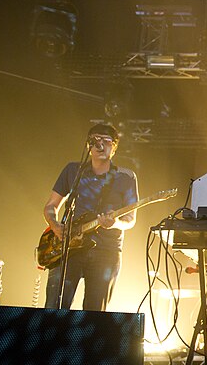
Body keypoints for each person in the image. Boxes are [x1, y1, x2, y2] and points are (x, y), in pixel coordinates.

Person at [44, 123, 138, 311]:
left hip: (106, 250)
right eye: (95, 140)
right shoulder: (73, 171)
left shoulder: (126, 177)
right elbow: (50, 206)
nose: (100, 144)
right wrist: (55, 226)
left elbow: (130, 220)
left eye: (106, 141)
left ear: (114, 148)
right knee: (54, 309)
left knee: (94, 315)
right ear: (88, 145)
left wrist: (114, 223)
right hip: (70, 248)